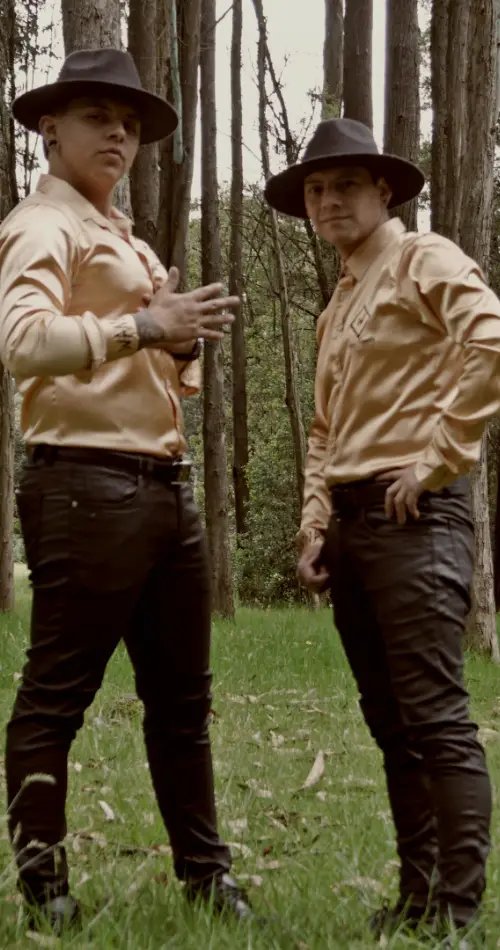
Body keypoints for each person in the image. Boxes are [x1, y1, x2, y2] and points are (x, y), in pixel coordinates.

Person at [0, 48, 253, 934]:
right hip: (83, 484)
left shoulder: (128, 238)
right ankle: (44, 889)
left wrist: (175, 345)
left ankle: (207, 879)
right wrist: (144, 323)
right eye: (98, 116)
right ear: (49, 128)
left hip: (163, 487)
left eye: (132, 123)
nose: (119, 133)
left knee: (183, 703)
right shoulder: (42, 224)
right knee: (56, 695)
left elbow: (155, 370)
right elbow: (23, 343)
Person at [264, 117, 499, 942]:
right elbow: (326, 428)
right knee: (392, 723)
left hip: (417, 517)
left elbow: (490, 340)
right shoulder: (338, 304)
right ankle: (417, 898)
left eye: (345, 186)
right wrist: (313, 525)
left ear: (384, 191)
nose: (328, 201)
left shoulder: (423, 258)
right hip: (353, 525)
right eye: (315, 190)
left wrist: (439, 458)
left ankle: (458, 911)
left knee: (435, 717)